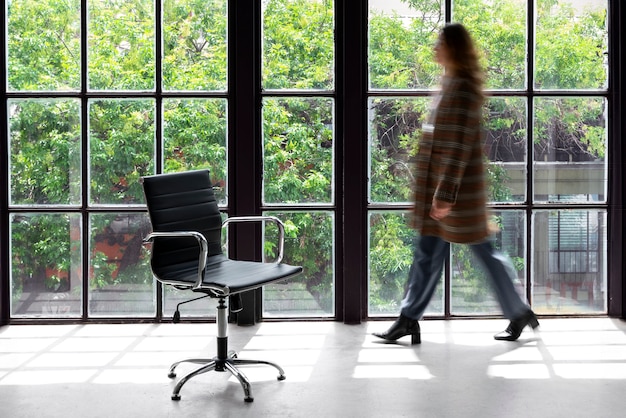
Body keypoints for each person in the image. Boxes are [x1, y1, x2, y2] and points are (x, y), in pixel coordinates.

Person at [373, 23, 538, 344]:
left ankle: (518, 311)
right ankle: (409, 319)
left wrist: (444, 194)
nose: (435, 47)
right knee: (429, 253)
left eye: (440, 42)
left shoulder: (461, 88)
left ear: (454, 48)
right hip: (443, 190)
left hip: (454, 193)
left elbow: (460, 145)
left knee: (480, 253)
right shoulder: (448, 83)